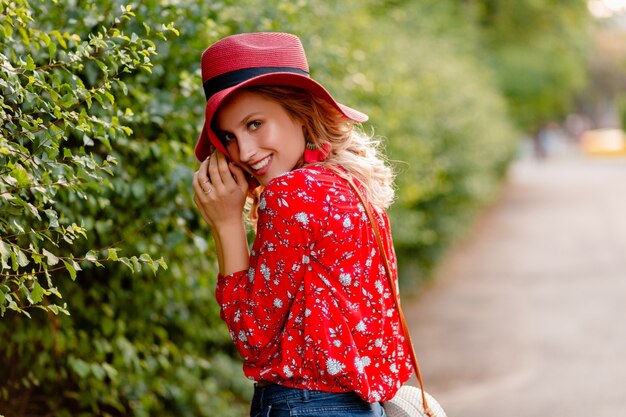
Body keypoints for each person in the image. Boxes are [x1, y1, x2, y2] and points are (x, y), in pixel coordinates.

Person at [192, 32, 412, 417]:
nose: (243, 152)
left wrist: (225, 223)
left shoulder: (291, 194)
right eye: (228, 136)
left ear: (300, 112)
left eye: (255, 124)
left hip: (308, 406)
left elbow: (253, 336)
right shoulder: (349, 184)